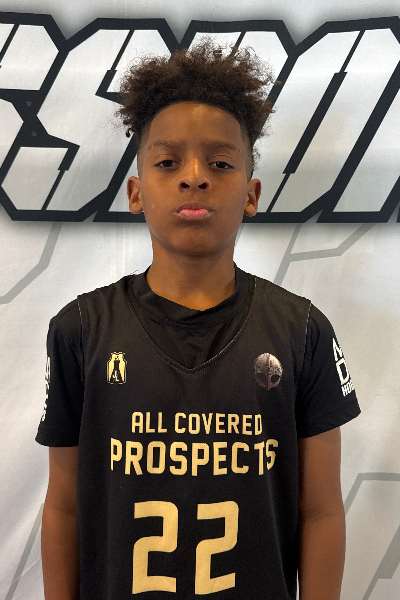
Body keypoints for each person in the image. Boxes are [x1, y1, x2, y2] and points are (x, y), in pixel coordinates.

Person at [36, 40, 360, 600]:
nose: (194, 177)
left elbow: (322, 511)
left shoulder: (303, 331)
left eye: (220, 163)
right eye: (167, 162)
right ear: (135, 192)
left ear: (251, 195)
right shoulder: (81, 330)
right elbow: (64, 507)